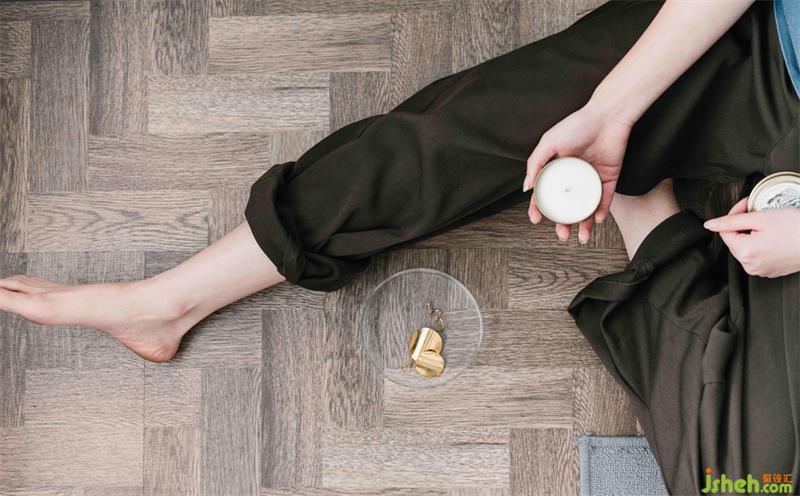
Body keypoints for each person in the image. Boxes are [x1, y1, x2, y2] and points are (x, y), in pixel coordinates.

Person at [1, 0, 798, 494]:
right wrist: (613, 109)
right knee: (464, 133)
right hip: (767, 53)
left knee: (743, 482)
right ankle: (168, 303)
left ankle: (654, 219)